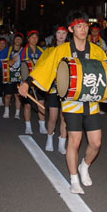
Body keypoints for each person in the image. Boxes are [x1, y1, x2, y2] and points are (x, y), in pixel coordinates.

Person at [21, 11, 107, 194]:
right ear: (71, 29)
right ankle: (74, 179)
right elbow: (44, 68)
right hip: (71, 102)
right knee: (75, 140)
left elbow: (106, 76)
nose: (83, 29)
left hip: (91, 102)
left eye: (85, 26)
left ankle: (84, 166)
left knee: (96, 143)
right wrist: (27, 83)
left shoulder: (97, 51)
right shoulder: (61, 50)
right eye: (79, 26)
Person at [39, 25, 69, 153]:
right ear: (55, 35)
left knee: (65, 118)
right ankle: (49, 138)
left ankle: (62, 142)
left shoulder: (70, 50)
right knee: (53, 117)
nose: (61, 35)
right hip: (53, 88)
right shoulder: (48, 51)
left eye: (64, 33)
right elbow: (41, 66)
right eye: (59, 33)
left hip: (67, 88)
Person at [0, 33, 24, 119]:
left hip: (19, 77)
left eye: (20, 39)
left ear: (22, 41)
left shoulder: (24, 51)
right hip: (9, 75)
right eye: (16, 38)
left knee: (18, 95)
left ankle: (17, 113)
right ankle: (6, 110)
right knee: (8, 95)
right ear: (14, 40)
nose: (18, 40)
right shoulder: (8, 50)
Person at [19, 30, 46, 135]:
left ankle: (42, 125)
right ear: (28, 39)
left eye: (36, 37)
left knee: (41, 103)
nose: (34, 39)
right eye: (32, 37)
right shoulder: (23, 51)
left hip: (39, 82)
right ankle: (28, 126)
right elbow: (20, 65)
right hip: (26, 82)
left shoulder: (41, 51)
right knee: (27, 106)